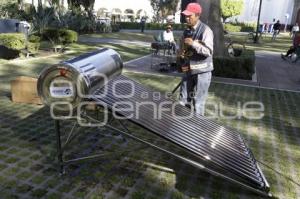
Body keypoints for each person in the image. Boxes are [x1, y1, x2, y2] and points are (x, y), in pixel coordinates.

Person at [178, 2, 214, 116]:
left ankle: (198, 130)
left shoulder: (206, 30)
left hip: (202, 72)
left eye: (190, 16)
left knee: (198, 103)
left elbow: (208, 51)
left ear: (197, 15)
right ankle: (182, 126)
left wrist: (193, 43)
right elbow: (183, 51)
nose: (187, 18)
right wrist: (181, 57)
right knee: (183, 100)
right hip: (188, 70)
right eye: (186, 16)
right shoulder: (186, 30)